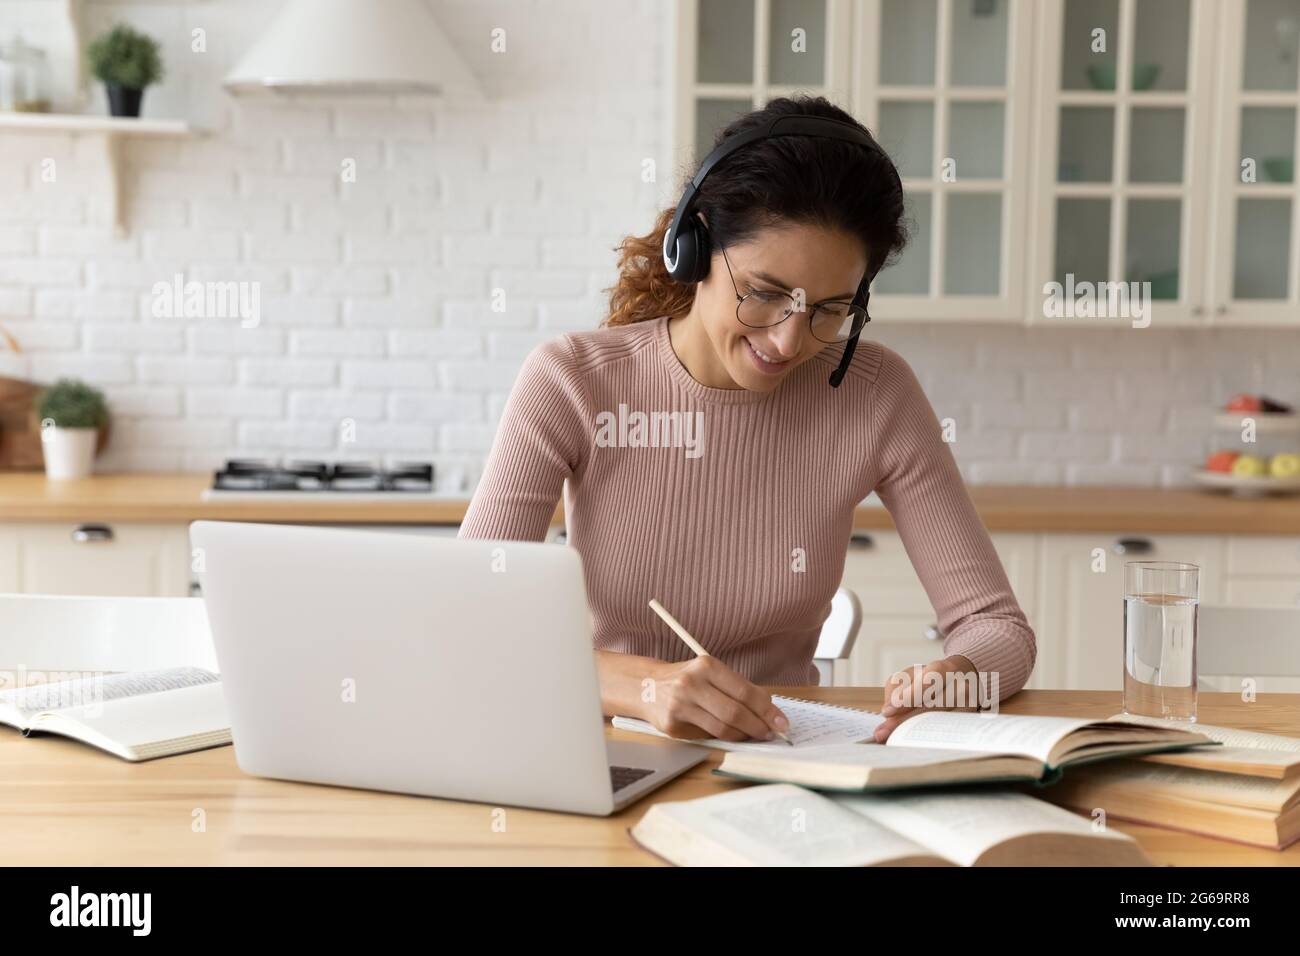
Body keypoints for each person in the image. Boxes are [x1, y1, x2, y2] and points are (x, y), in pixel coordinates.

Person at [459, 95, 1035, 743]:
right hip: (600, 750)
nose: (790, 343)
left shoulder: (876, 394)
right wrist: (642, 686)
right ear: (695, 246)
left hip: (788, 758)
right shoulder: (574, 380)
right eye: (763, 294)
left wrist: (957, 674)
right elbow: (473, 624)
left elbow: (999, 629)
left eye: (829, 309)